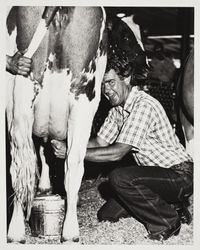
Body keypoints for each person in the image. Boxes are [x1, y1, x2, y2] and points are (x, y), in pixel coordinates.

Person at [51, 45, 193, 241]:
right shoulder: (117, 110)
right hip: (155, 178)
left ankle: (167, 221)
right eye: (102, 85)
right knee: (106, 215)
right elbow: (99, 142)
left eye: (110, 82)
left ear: (126, 78)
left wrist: (71, 153)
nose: (106, 90)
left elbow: (117, 153)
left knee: (119, 177)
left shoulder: (144, 104)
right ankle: (174, 206)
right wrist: (70, 141)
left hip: (180, 175)